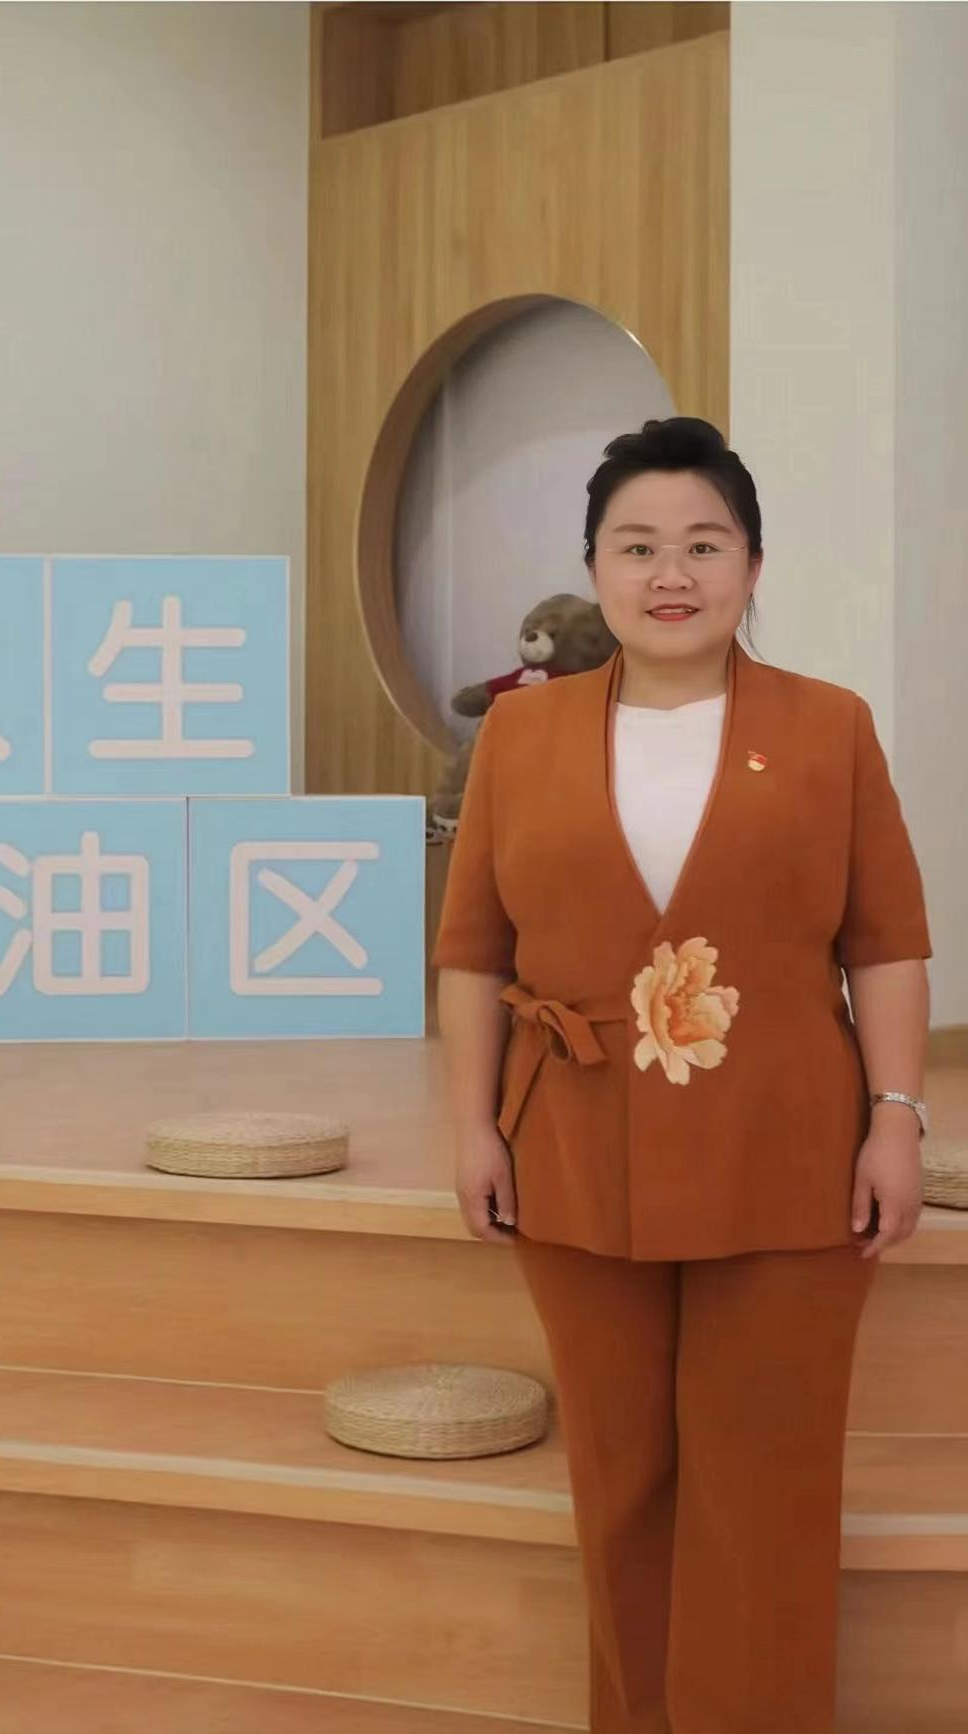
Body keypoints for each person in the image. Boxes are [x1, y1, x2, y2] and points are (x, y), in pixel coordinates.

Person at [430, 417, 933, 1734]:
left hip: (788, 1150)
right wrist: (473, 1126)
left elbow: (885, 943)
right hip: (573, 1144)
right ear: (593, 567)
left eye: (704, 545)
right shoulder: (519, 737)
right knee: (620, 1480)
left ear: (752, 565)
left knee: (765, 1487)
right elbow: (472, 954)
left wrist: (896, 1118)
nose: (671, 573)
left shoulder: (827, 727)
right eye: (637, 544)